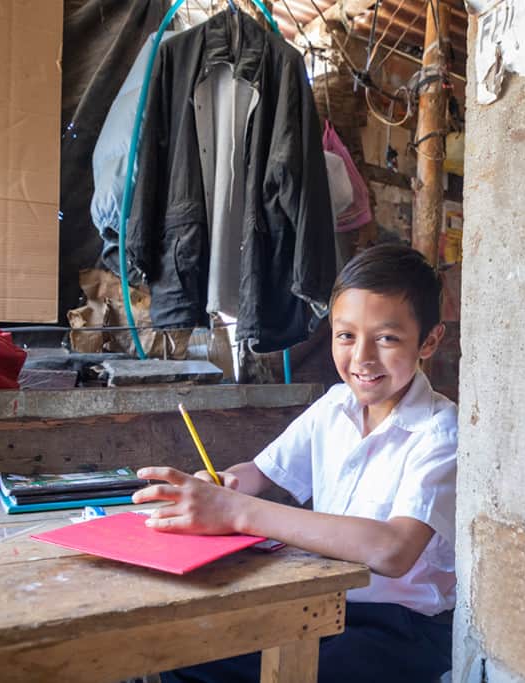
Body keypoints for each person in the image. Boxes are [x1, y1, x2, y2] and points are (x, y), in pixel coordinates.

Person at [135, 245, 456, 683]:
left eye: (386, 338)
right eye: (346, 336)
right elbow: (260, 473)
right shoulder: (336, 406)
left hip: (402, 629)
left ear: (429, 341)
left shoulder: (442, 431)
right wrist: (218, 487)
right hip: (324, 603)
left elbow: (393, 550)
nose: (361, 358)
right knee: (186, 654)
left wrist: (238, 512)